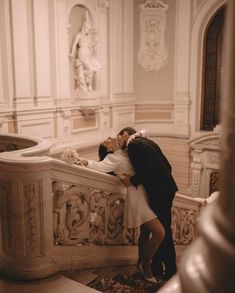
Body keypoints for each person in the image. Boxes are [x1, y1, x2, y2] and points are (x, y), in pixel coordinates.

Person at [76, 136, 165, 283]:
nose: (111, 138)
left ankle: (139, 265)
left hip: (146, 193)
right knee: (160, 233)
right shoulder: (113, 158)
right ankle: (146, 267)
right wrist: (82, 161)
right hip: (138, 198)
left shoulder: (127, 151)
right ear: (109, 149)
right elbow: (98, 166)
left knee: (145, 232)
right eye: (107, 141)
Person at [117, 127, 178, 280]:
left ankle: (170, 271)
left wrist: (131, 181)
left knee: (163, 233)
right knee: (159, 231)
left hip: (159, 193)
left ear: (125, 134)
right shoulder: (148, 142)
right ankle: (157, 267)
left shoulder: (133, 146)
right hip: (168, 188)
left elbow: (148, 171)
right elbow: (168, 166)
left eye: (119, 139)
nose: (120, 143)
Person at [69, 11, 101, 92]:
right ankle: (89, 84)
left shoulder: (88, 37)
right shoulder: (79, 35)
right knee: (90, 69)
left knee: (93, 68)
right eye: (87, 29)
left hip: (88, 54)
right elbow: (74, 44)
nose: (88, 30)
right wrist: (72, 53)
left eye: (89, 29)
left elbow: (91, 46)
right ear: (84, 27)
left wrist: (92, 48)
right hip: (82, 53)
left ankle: (87, 83)